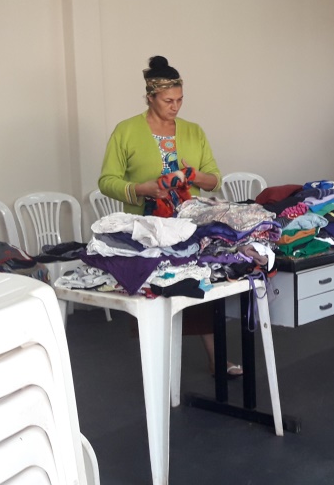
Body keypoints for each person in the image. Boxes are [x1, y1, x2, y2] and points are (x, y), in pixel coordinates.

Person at [98, 55, 242, 378]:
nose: (175, 106)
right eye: (168, 101)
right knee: (154, 294)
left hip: (188, 226)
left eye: (180, 100)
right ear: (150, 97)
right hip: (148, 228)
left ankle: (216, 358)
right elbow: (107, 181)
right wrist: (142, 189)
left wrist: (193, 176)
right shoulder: (126, 131)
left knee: (199, 286)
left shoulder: (193, 132)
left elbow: (215, 179)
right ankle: (157, 370)